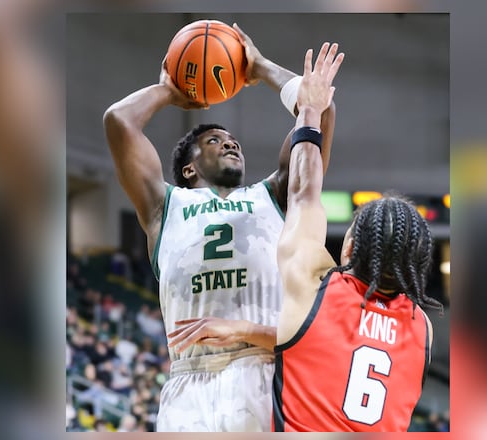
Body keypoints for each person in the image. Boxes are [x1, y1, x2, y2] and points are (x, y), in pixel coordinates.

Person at [103, 23, 337, 431]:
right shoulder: (164, 205)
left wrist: (260, 67)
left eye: (234, 142)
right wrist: (169, 90)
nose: (231, 143)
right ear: (188, 167)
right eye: (214, 140)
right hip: (189, 380)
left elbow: (318, 111)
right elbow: (119, 121)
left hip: (265, 368)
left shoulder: (275, 194)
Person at [271, 45, 440, 431]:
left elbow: (302, 194)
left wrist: (311, 112)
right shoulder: (422, 329)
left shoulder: (311, 286)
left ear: (348, 247)